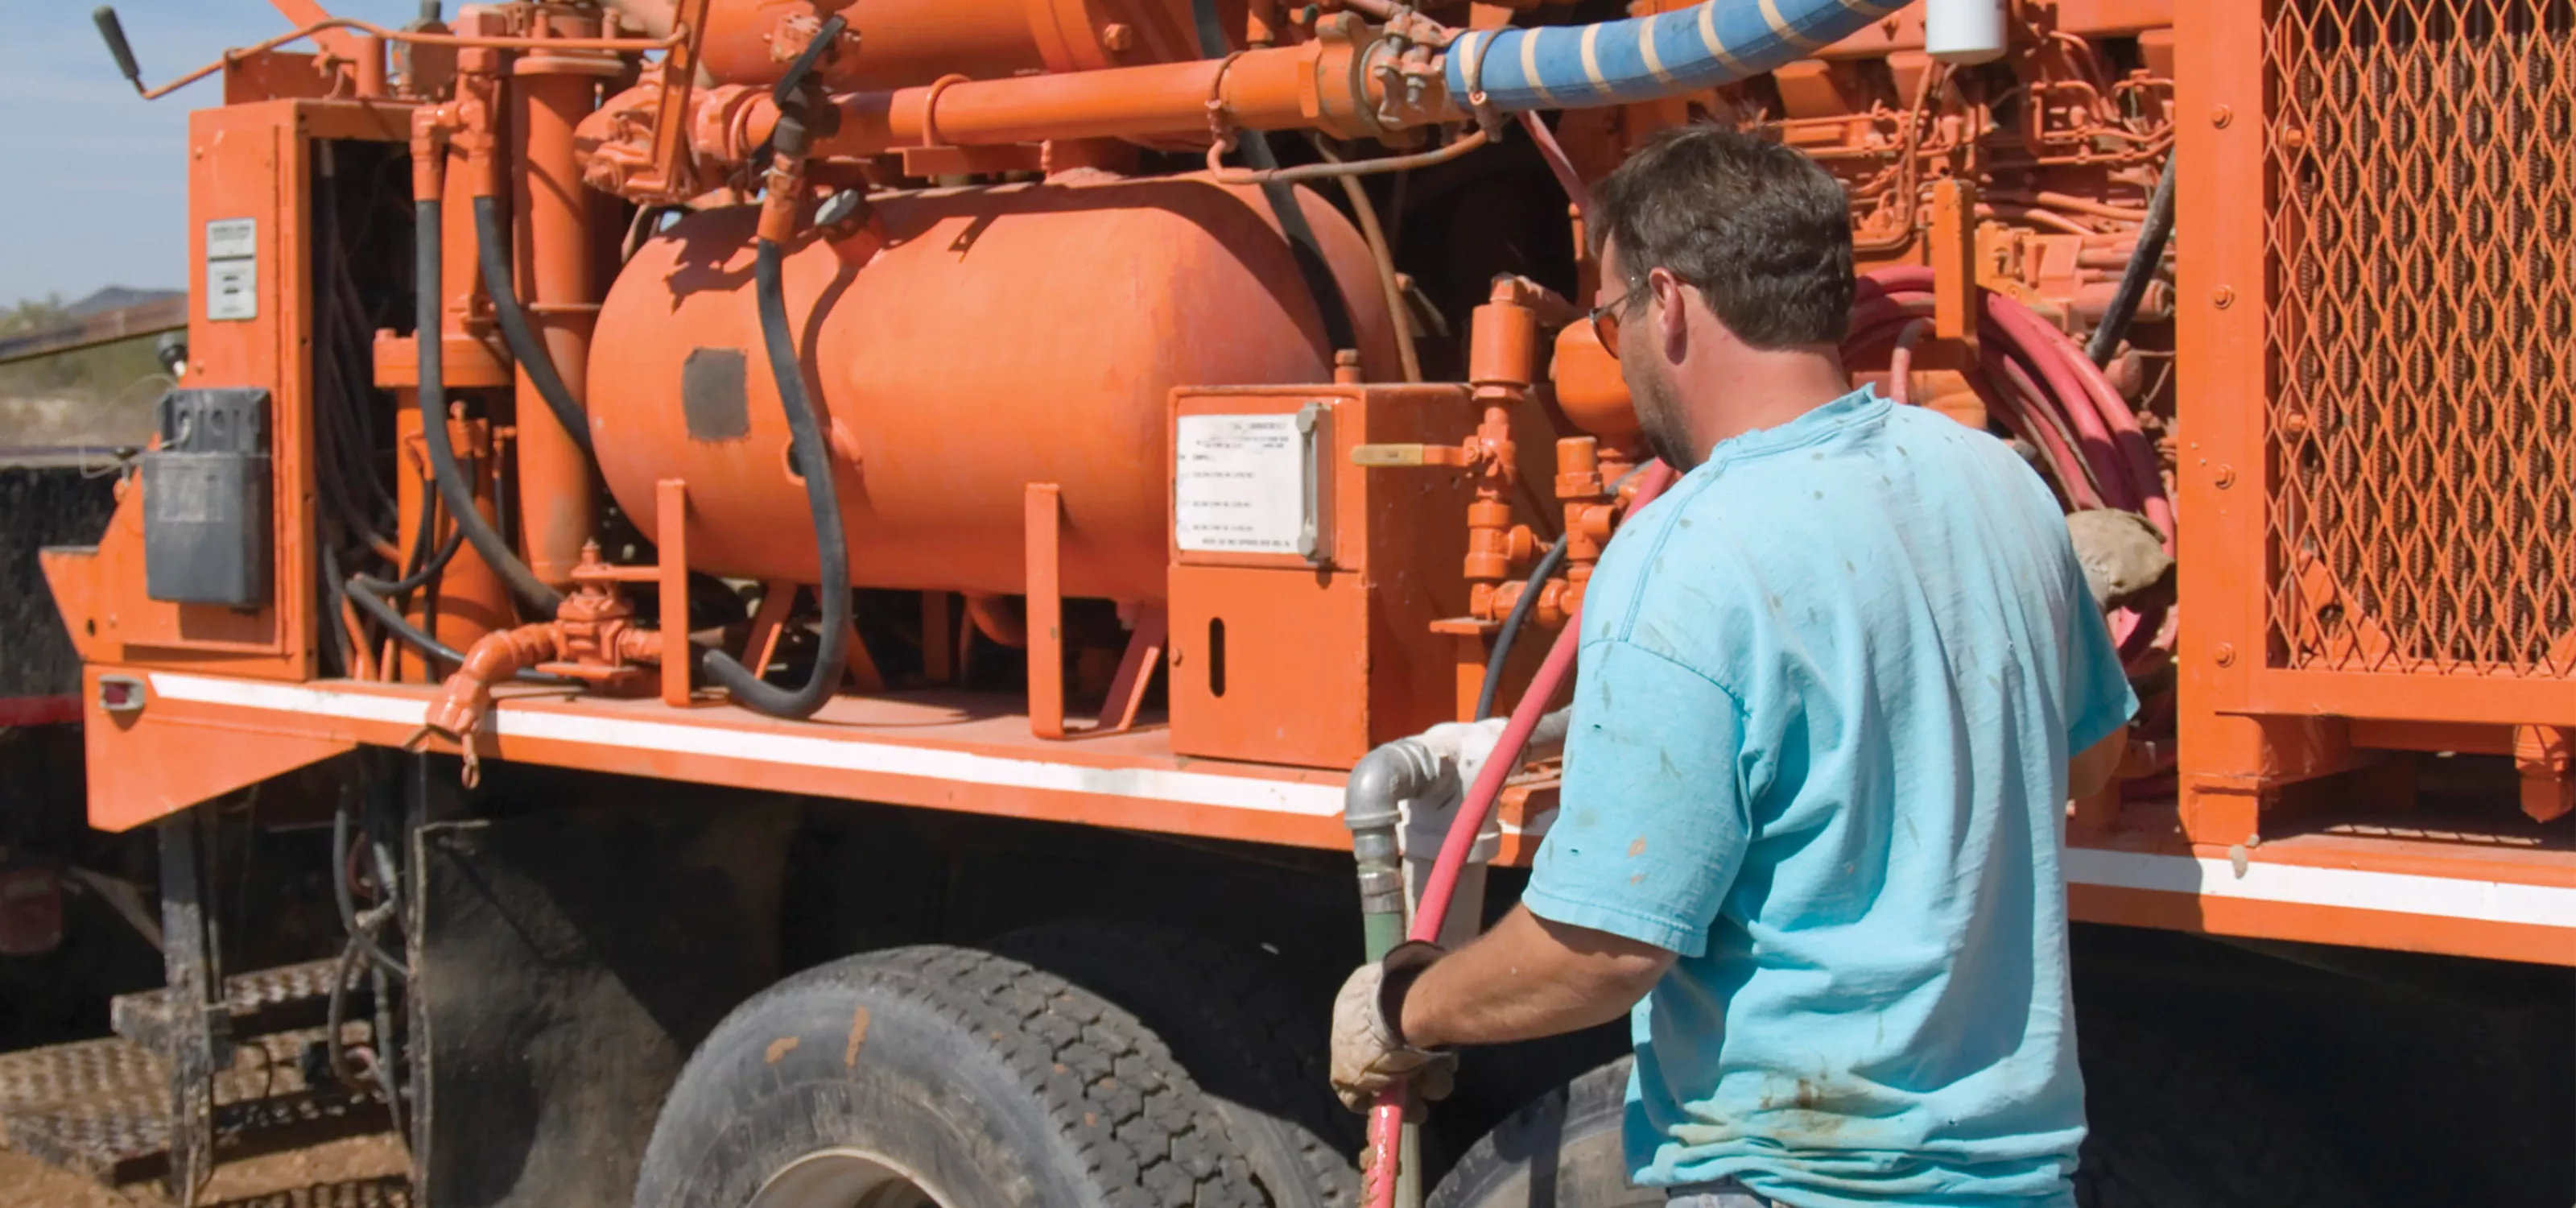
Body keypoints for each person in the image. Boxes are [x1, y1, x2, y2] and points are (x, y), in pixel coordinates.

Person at [1327, 126, 2136, 1208]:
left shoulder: (1689, 553)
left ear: (1667, 303)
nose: (1614, 346)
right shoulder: (1997, 485)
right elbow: (2088, 769)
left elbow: (1605, 948)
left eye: (1608, 314)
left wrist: (1404, 1008)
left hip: (1795, 1180)